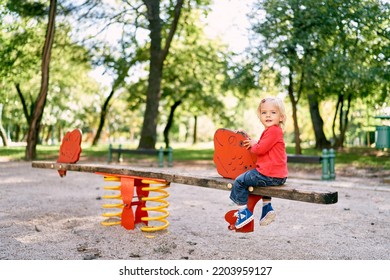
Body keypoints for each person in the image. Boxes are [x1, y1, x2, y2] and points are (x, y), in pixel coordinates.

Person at [230, 97, 288, 228]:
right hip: (278, 176)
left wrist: (253, 144)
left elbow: (259, 149)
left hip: (268, 175)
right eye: (264, 112)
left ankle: (243, 213)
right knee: (261, 181)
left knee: (240, 181)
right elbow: (261, 145)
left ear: (281, 117)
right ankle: (267, 207)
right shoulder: (273, 131)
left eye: (273, 112)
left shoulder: (273, 131)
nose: (268, 115)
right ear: (260, 116)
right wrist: (247, 138)